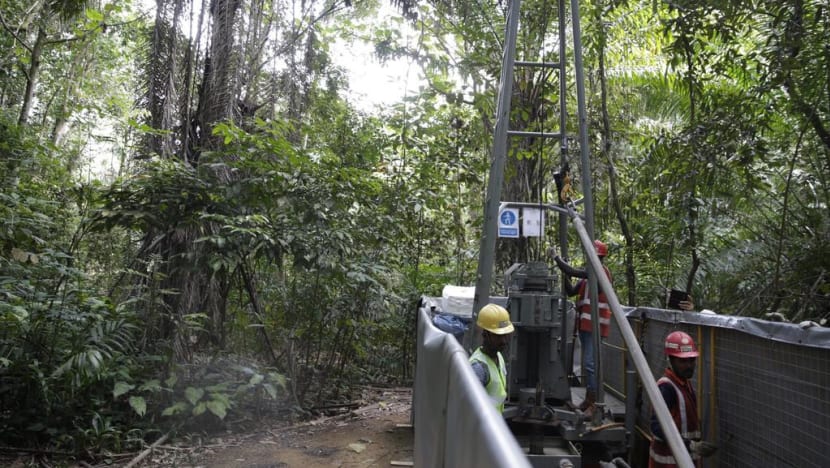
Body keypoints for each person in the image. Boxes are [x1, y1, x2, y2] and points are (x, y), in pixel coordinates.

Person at [553, 239, 612, 413]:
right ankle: (589, 400)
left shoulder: (601, 273)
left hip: (595, 327)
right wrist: (564, 274)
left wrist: (557, 258)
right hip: (586, 327)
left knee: (590, 364)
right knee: (589, 364)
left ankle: (594, 402)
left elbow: (574, 271)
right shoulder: (588, 278)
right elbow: (571, 291)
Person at [649, 331, 718, 467]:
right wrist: (690, 445)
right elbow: (656, 427)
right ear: (670, 360)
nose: (689, 365)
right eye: (682, 361)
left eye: (691, 360)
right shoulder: (667, 388)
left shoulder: (683, 383)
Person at [469, 303, 514, 413]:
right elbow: (471, 409)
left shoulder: (499, 356)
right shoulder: (478, 368)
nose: (503, 341)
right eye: (498, 336)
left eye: (506, 335)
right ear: (485, 334)